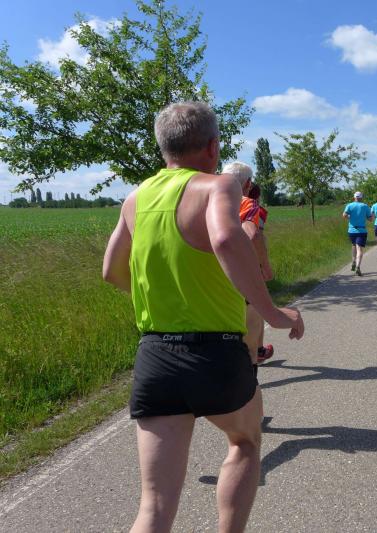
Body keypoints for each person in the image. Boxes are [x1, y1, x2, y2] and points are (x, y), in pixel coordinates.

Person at [102, 101, 304, 533]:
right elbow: (227, 239)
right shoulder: (220, 185)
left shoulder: (136, 197)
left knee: (155, 505)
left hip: (156, 355)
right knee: (245, 441)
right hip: (216, 353)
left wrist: (168, 296)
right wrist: (273, 312)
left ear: (163, 148)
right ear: (213, 146)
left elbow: (111, 271)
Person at [225, 162, 275, 366]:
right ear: (247, 184)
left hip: (212, 273)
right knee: (253, 316)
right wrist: (264, 265)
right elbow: (254, 234)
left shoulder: (207, 200)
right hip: (243, 271)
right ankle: (253, 360)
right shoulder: (248, 203)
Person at [342, 191, 372, 276]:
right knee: (360, 249)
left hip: (351, 230)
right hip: (362, 231)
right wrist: (368, 216)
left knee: (353, 245)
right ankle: (358, 267)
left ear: (354, 197)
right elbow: (370, 219)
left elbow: (344, 215)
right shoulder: (365, 206)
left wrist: (350, 217)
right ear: (361, 198)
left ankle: (353, 260)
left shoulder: (349, 205)